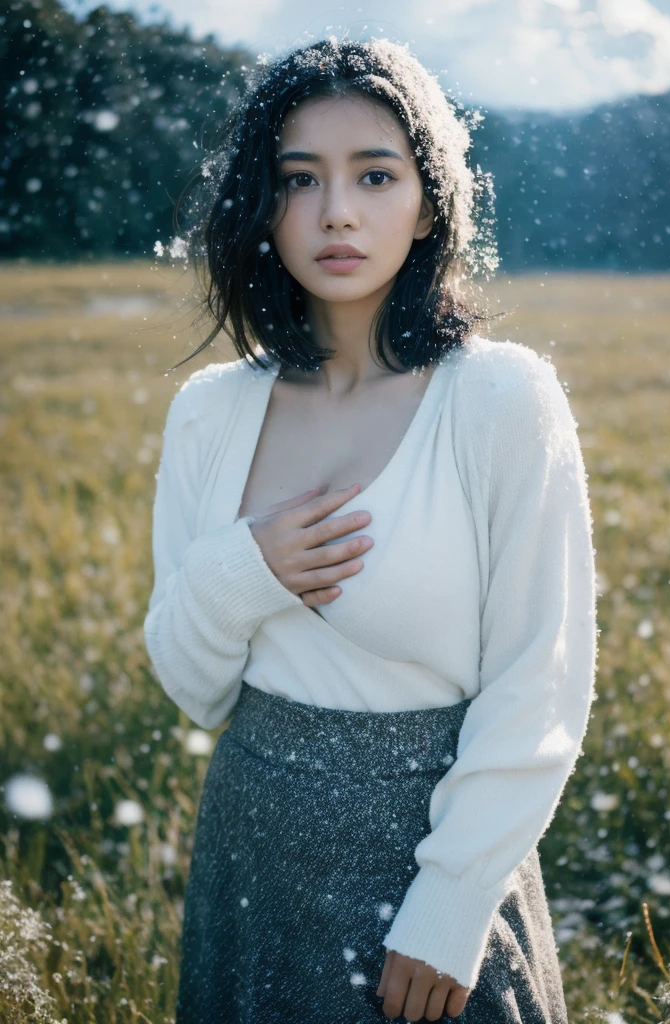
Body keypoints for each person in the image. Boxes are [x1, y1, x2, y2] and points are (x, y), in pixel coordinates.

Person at [143, 35, 598, 1024]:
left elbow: (540, 681)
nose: (337, 211)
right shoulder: (211, 412)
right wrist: (245, 567)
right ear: (262, 204)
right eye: (299, 178)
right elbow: (192, 682)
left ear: (430, 199)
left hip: (435, 860)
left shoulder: (500, 396)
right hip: (251, 856)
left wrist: (452, 899)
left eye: (375, 174)